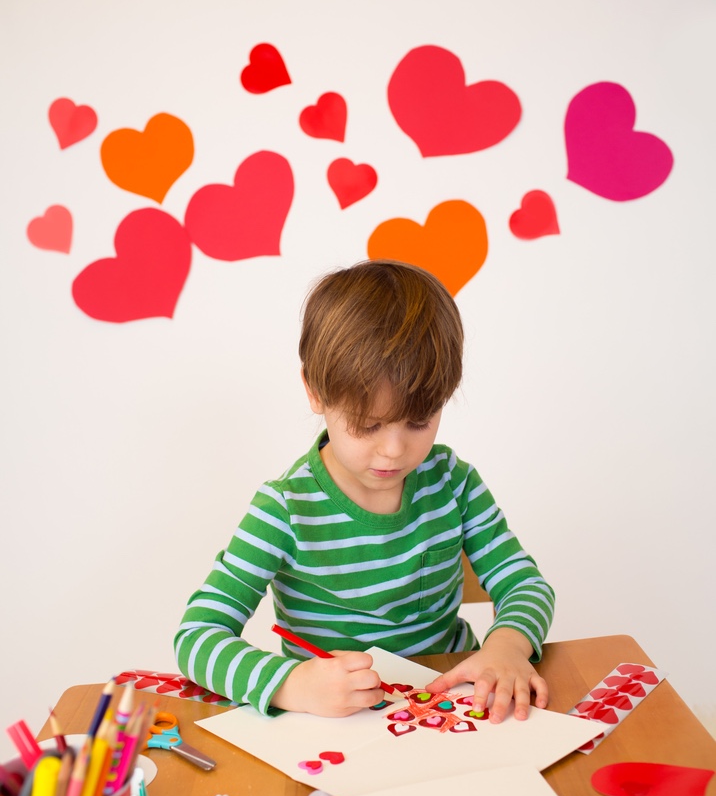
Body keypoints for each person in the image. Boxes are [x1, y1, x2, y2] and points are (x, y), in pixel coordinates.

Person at [174, 260, 554, 723]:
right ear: (315, 392)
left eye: (419, 421)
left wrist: (508, 646)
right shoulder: (285, 510)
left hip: (457, 703)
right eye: (367, 425)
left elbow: (525, 583)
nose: (394, 450)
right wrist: (291, 684)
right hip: (336, 724)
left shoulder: (452, 481)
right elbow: (197, 636)